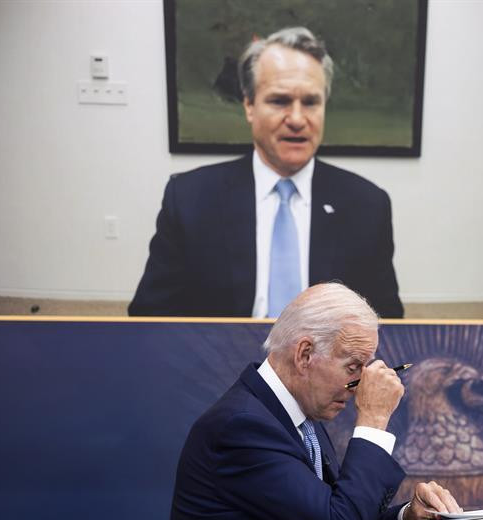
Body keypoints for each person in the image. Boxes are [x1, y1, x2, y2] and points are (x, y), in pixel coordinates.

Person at [165, 282, 459, 520]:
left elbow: (332, 519)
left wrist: (406, 518)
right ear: (305, 354)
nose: (359, 384)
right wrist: (374, 418)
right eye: (353, 366)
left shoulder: (297, 418)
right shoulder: (241, 427)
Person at [129, 27, 403, 319]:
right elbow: (149, 320)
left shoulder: (367, 205)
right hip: (219, 362)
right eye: (279, 101)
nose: (297, 119)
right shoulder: (189, 198)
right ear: (249, 105)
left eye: (311, 102)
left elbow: (387, 324)